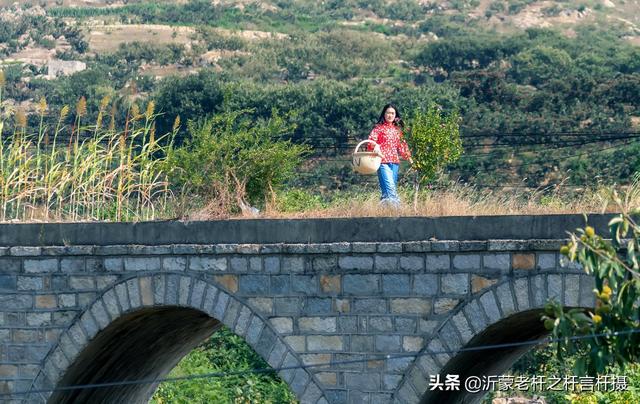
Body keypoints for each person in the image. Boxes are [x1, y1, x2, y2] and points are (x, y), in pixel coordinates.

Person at [368, 103, 412, 206]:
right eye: (388, 113)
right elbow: (371, 142)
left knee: (386, 191)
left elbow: (402, 146)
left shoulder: (397, 130)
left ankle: (384, 213)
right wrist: (375, 148)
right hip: (382, 162)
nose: (390, 115)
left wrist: (410, 159)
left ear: (395, 115)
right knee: (390, 188)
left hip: (395, 163)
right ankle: (398, 211)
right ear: (384, 114)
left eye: (392, 113)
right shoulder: (378, 128)